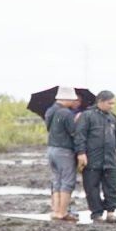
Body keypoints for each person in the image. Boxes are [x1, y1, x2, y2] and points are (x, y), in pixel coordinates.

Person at [75, 90, 116, 225]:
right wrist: (81, 153)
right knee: (92, 187)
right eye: (110, 103)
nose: (112, 106)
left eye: (113, 103)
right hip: (92, 158)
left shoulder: (113, 118)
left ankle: (111, 212)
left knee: (112, 186)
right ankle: (97, 214)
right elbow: (80, 136)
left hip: (110, 158)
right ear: (100, 102)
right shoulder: (87, 116)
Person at [44, 86, 79, 222]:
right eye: (73, 99)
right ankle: (62, 212)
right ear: (67, 98)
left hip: (52, 148)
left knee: (56, 181)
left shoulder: (50, 111)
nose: (75, 102)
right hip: (64, 150)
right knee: (67, 181)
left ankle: (56, 211)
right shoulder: (66, 113)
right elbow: (73, 132)